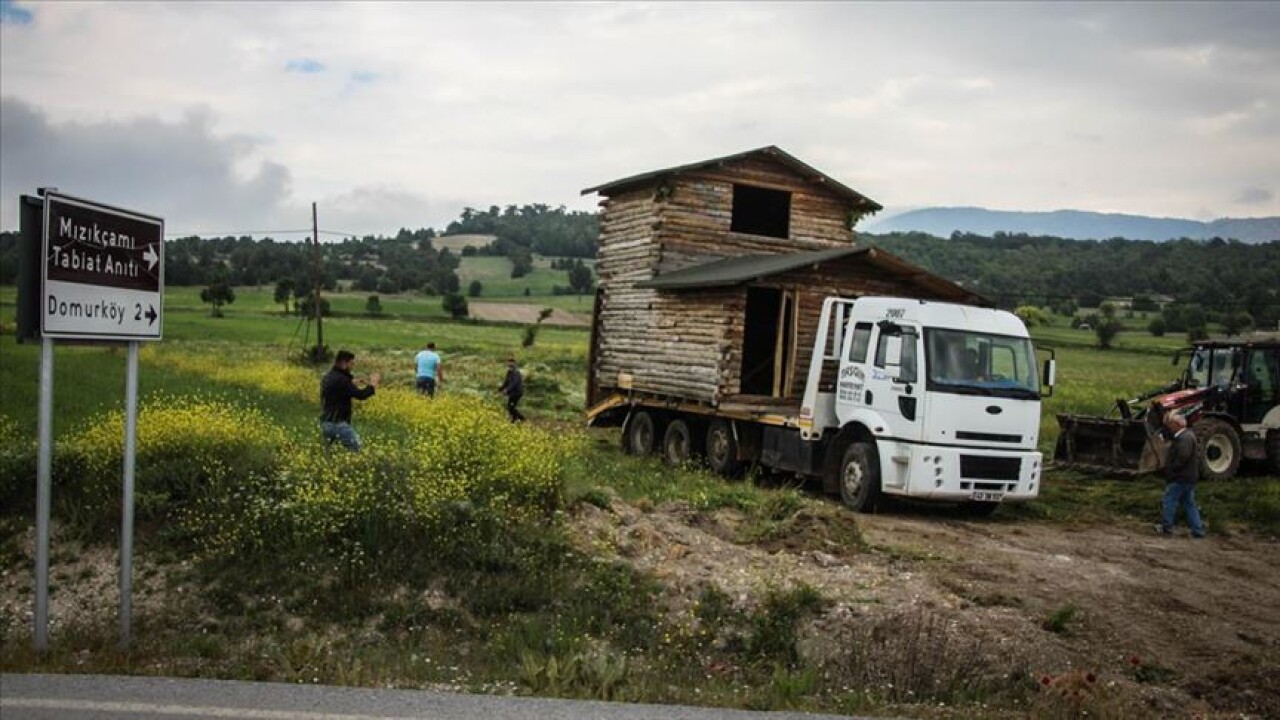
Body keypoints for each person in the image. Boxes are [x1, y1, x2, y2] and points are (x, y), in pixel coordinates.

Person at [320, 350, 380, 451]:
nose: (352, 367)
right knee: (357, 449)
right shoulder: (343, 380)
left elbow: (337, 388)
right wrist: (372, 385)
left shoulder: (328, 376)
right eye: (351, 363)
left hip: (326, 423)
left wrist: (352, 382)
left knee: (331, 453)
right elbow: (361, 395)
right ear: (344, 363)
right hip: (339, 424)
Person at [1157, 413, 1205, 538]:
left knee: (1169, 500)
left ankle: (1166, 527)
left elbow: (1182, 457)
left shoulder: (1184, 438)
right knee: (1189, 503)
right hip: (1189, 477)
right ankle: (1198, 530)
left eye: (1171, 424)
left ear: (1177, 424)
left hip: (1180, 477)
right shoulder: (1188, 436)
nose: (1169, 427)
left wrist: (1172, 470)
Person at [498, 355, 525, 422]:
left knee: (511, 407)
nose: (509, 364)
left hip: (517, 393)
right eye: (508, 362)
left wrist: (507, 390)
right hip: (512, 392)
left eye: (511, 362)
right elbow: (506, 382)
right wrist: (500, 389)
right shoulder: (509, 372)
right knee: (511, 407)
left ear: (514, 363)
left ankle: (521, 418)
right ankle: (515, 419)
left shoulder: (516, 373)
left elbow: (514, 384)